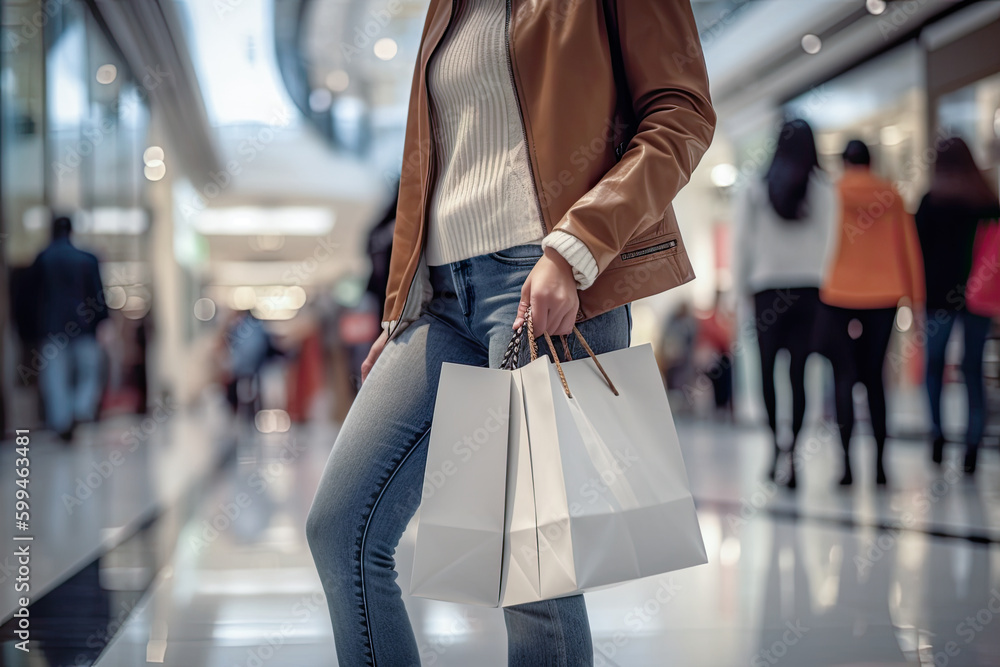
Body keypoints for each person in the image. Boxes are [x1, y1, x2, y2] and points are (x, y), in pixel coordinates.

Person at [304, 1, 716, 664]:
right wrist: (399, 306)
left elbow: (681, 113)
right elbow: (427, 165)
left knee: (532, 577)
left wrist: (575, 247)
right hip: (440, 299)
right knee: (341, 525)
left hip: (547, 284)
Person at [732, 119, 838, 489]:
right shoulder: (823, 189)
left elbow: (741, 244)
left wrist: (737, 291)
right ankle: (793, 455)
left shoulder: (754, 188)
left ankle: (775, 449)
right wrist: (819, 280)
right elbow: (831, 243)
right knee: (799, 376)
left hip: (765, 292)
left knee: (765, 374)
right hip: (809, 292)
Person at [819, 140, 924, 487]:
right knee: (876, 379)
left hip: (836, 293)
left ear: (843, 161)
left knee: (843, 379)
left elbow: (821, 244)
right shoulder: (890, 194)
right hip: (884, 294)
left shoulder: (832, 193)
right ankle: (880, 469)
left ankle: (846, 469)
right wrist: (915, 298)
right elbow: (908, 246)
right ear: (871, 160)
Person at [916, 137, 1000, 475]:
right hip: (978, 296)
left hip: (938, 297)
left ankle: (937, 434)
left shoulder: (929, 201)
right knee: (972, 369)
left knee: (934, 367)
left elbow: (917, 252)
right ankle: (972, 445)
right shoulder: (986, 200)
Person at [32, 215, 108, 441]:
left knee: (55, 378)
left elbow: (32, 299)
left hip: (52, 328)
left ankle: (62, 421)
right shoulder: (87, 259)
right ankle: (80, 409)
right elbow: (98, 296)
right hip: (83, 327)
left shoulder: (43, 259)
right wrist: (102, 322)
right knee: (89, 373)